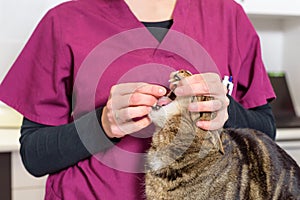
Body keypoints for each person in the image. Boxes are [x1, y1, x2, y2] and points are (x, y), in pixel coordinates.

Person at [0, 0, 276, 199]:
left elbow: (266, 133)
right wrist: (103, 125)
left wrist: (226, 111)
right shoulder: (63, 21)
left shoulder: (230, 16)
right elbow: (34, 157)